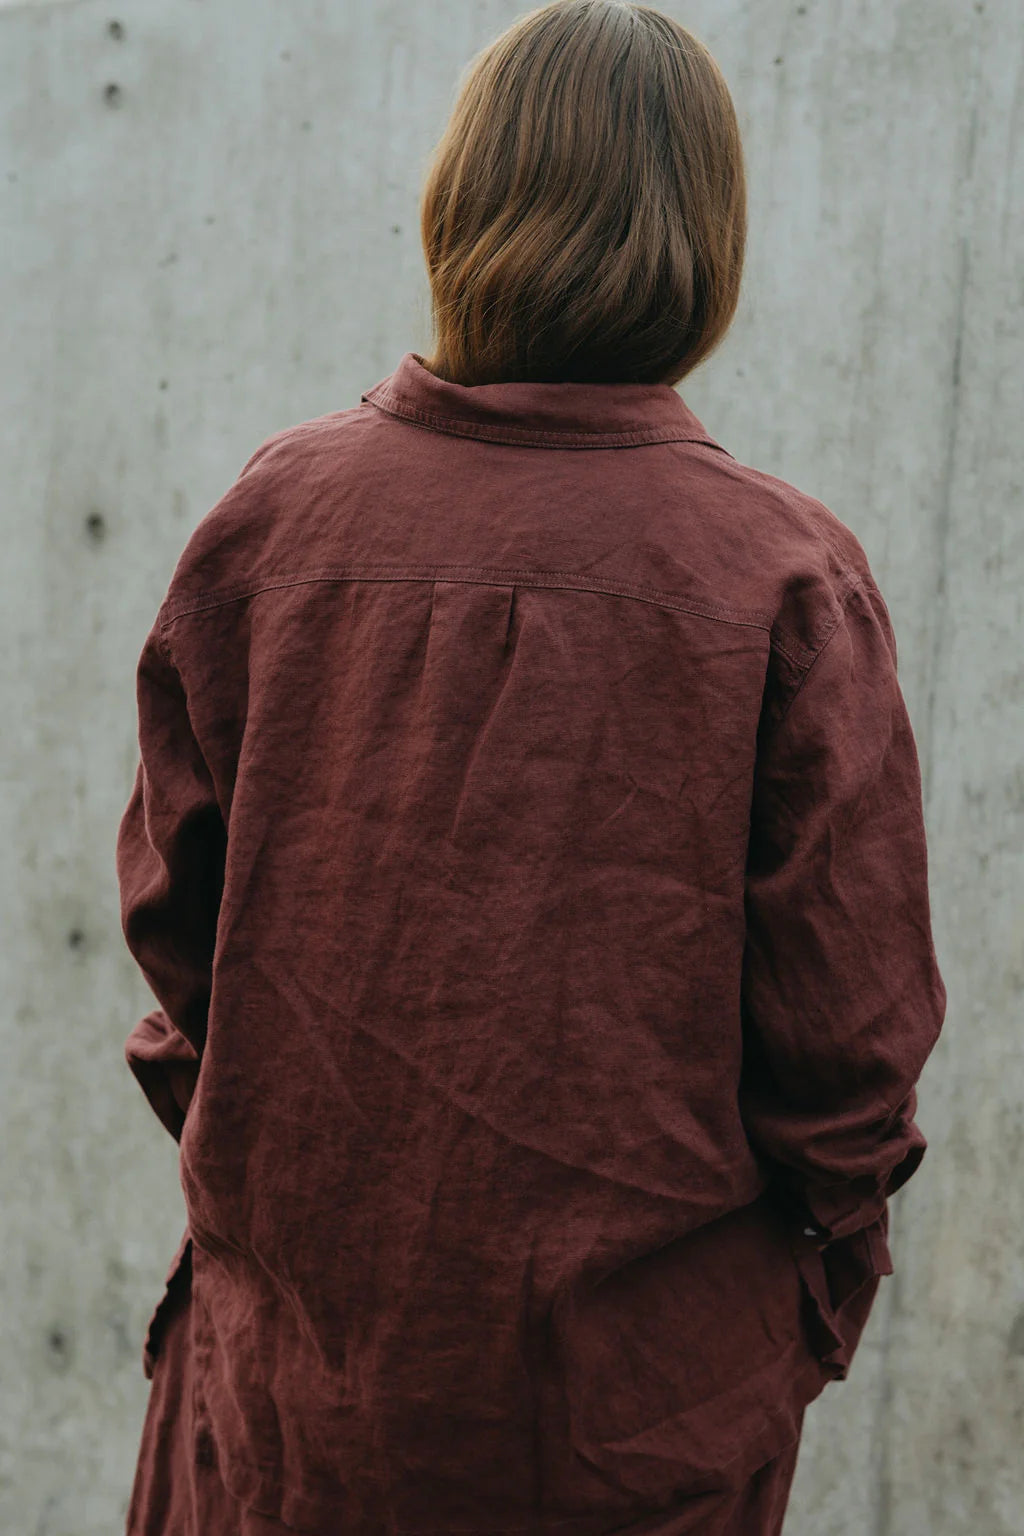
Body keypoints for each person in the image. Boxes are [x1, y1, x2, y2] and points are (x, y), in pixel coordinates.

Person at [116, 3, 946, 1533]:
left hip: (283, 1421)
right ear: (705, 240)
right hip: (630, 1448)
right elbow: (852, 1064)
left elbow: (184, 966)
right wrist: (776, 1342)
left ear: (460, 208)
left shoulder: (267, 530)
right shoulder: (780, 579)